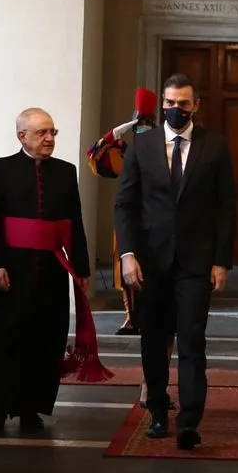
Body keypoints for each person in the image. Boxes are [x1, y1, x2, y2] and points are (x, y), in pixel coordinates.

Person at [113, 73, 236, 451]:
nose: (175, 109)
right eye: (169, 103)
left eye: (183, 104)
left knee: (192, 340)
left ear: (195, 105)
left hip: (196, 262)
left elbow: (226, 207)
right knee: (153, 340)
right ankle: (157, 410)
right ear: (162, 104)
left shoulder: (214, 146)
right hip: (150, 262)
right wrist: (127, 255)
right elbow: (125, 204)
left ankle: (189, 421)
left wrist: (221, 261)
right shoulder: (143, 145)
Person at [0, 107, 92, 433]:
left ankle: (32, 409)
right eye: (42, 133)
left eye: (53, 132)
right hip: (10, 271)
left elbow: (74, 224)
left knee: (45, 341)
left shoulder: (66, 171)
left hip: (51, 272)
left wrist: (82, 268)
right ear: (22, 136)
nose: (49, 138)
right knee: (4, 340)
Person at [87, 87, 174, 410]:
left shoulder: (165, 145)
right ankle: (130, 320)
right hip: (131, 230)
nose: (143, 123)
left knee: (163, 319)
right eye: (140, 119)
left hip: (158, 234)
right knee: (143, 308)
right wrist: (118, 131)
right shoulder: (126, 147)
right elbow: (95, 158)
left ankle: (152, 384)